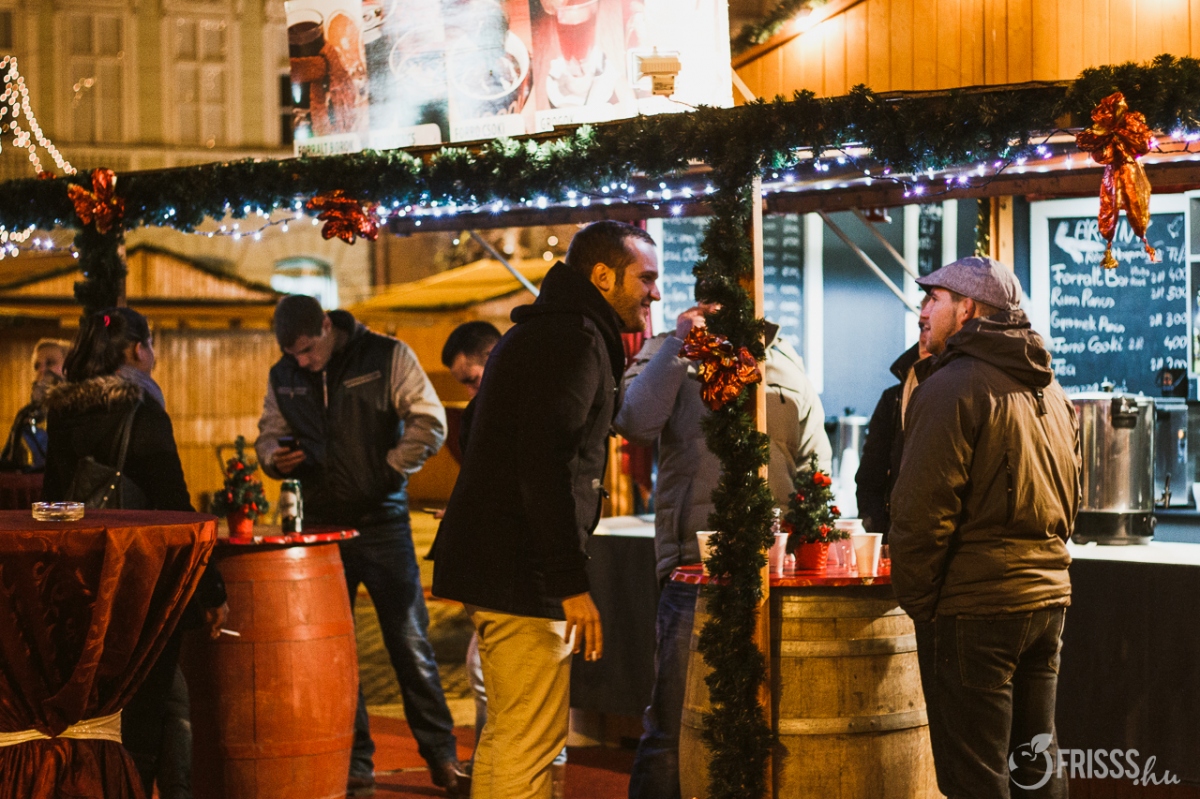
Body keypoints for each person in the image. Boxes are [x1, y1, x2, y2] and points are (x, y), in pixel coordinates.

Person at [432, 220, 660, 799]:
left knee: (515, 733)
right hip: (523, 573)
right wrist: (568, 581)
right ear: (603, 276)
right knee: (528, 740)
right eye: (645, 278)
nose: (655, 293)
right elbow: (546, 463)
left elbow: (494, 440)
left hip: (505, 564)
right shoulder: (573, 340)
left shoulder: (544, 331)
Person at [614, 300, 831, 799]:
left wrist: (811, 537)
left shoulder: (784, 357)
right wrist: (679, 344)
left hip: (774, 568)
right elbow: (634, 423)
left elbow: (813, 461)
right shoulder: (667, 349)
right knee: (673, 723)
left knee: (769, 719)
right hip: (694, 567)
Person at [255, 295, 464, 798]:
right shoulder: (284, 373)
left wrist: (389, 471)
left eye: (308, 350)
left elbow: (430, 421)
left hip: (382, 522)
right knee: (336, 653)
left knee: (409, 643)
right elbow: (268, 433)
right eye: (293, 355)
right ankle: (355, 763)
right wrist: (273, 458)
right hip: (320, 526)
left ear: (326, 326)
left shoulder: (387, 356)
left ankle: (442, 758)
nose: (303, 362)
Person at [889, 257, 1080, 799]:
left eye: (934, 299)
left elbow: (920, 515)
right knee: (1035, 771)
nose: (922, 311)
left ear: (967, 310)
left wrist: (921, 605)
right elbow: (1073, 503)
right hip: (1046, 603)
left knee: (976, 778)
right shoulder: (1052, 391)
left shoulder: (950, 387)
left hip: (975, 609)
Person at [41, 307, 228, 798]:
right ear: (137, 350)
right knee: (147, 710)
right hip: (141, 582)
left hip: (81, 581)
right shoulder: (142, 412)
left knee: (132, 705)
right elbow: (177, 509)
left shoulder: (63, 413)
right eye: (151, 344)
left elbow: (52, 501)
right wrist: (211, 590)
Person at [854, 340, 928, 538]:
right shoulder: (893, 399)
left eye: (928, 327)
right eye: (921, 327)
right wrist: (878, 530)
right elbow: (870, 476)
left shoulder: (960, 389)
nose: (925, 335)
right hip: (894, 532)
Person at [0, 338, 70, 471]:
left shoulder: (79, 411)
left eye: (50, 363)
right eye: (37, 366)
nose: (42, 370)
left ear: (69, 367)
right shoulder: (26, 414)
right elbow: (10, 459)